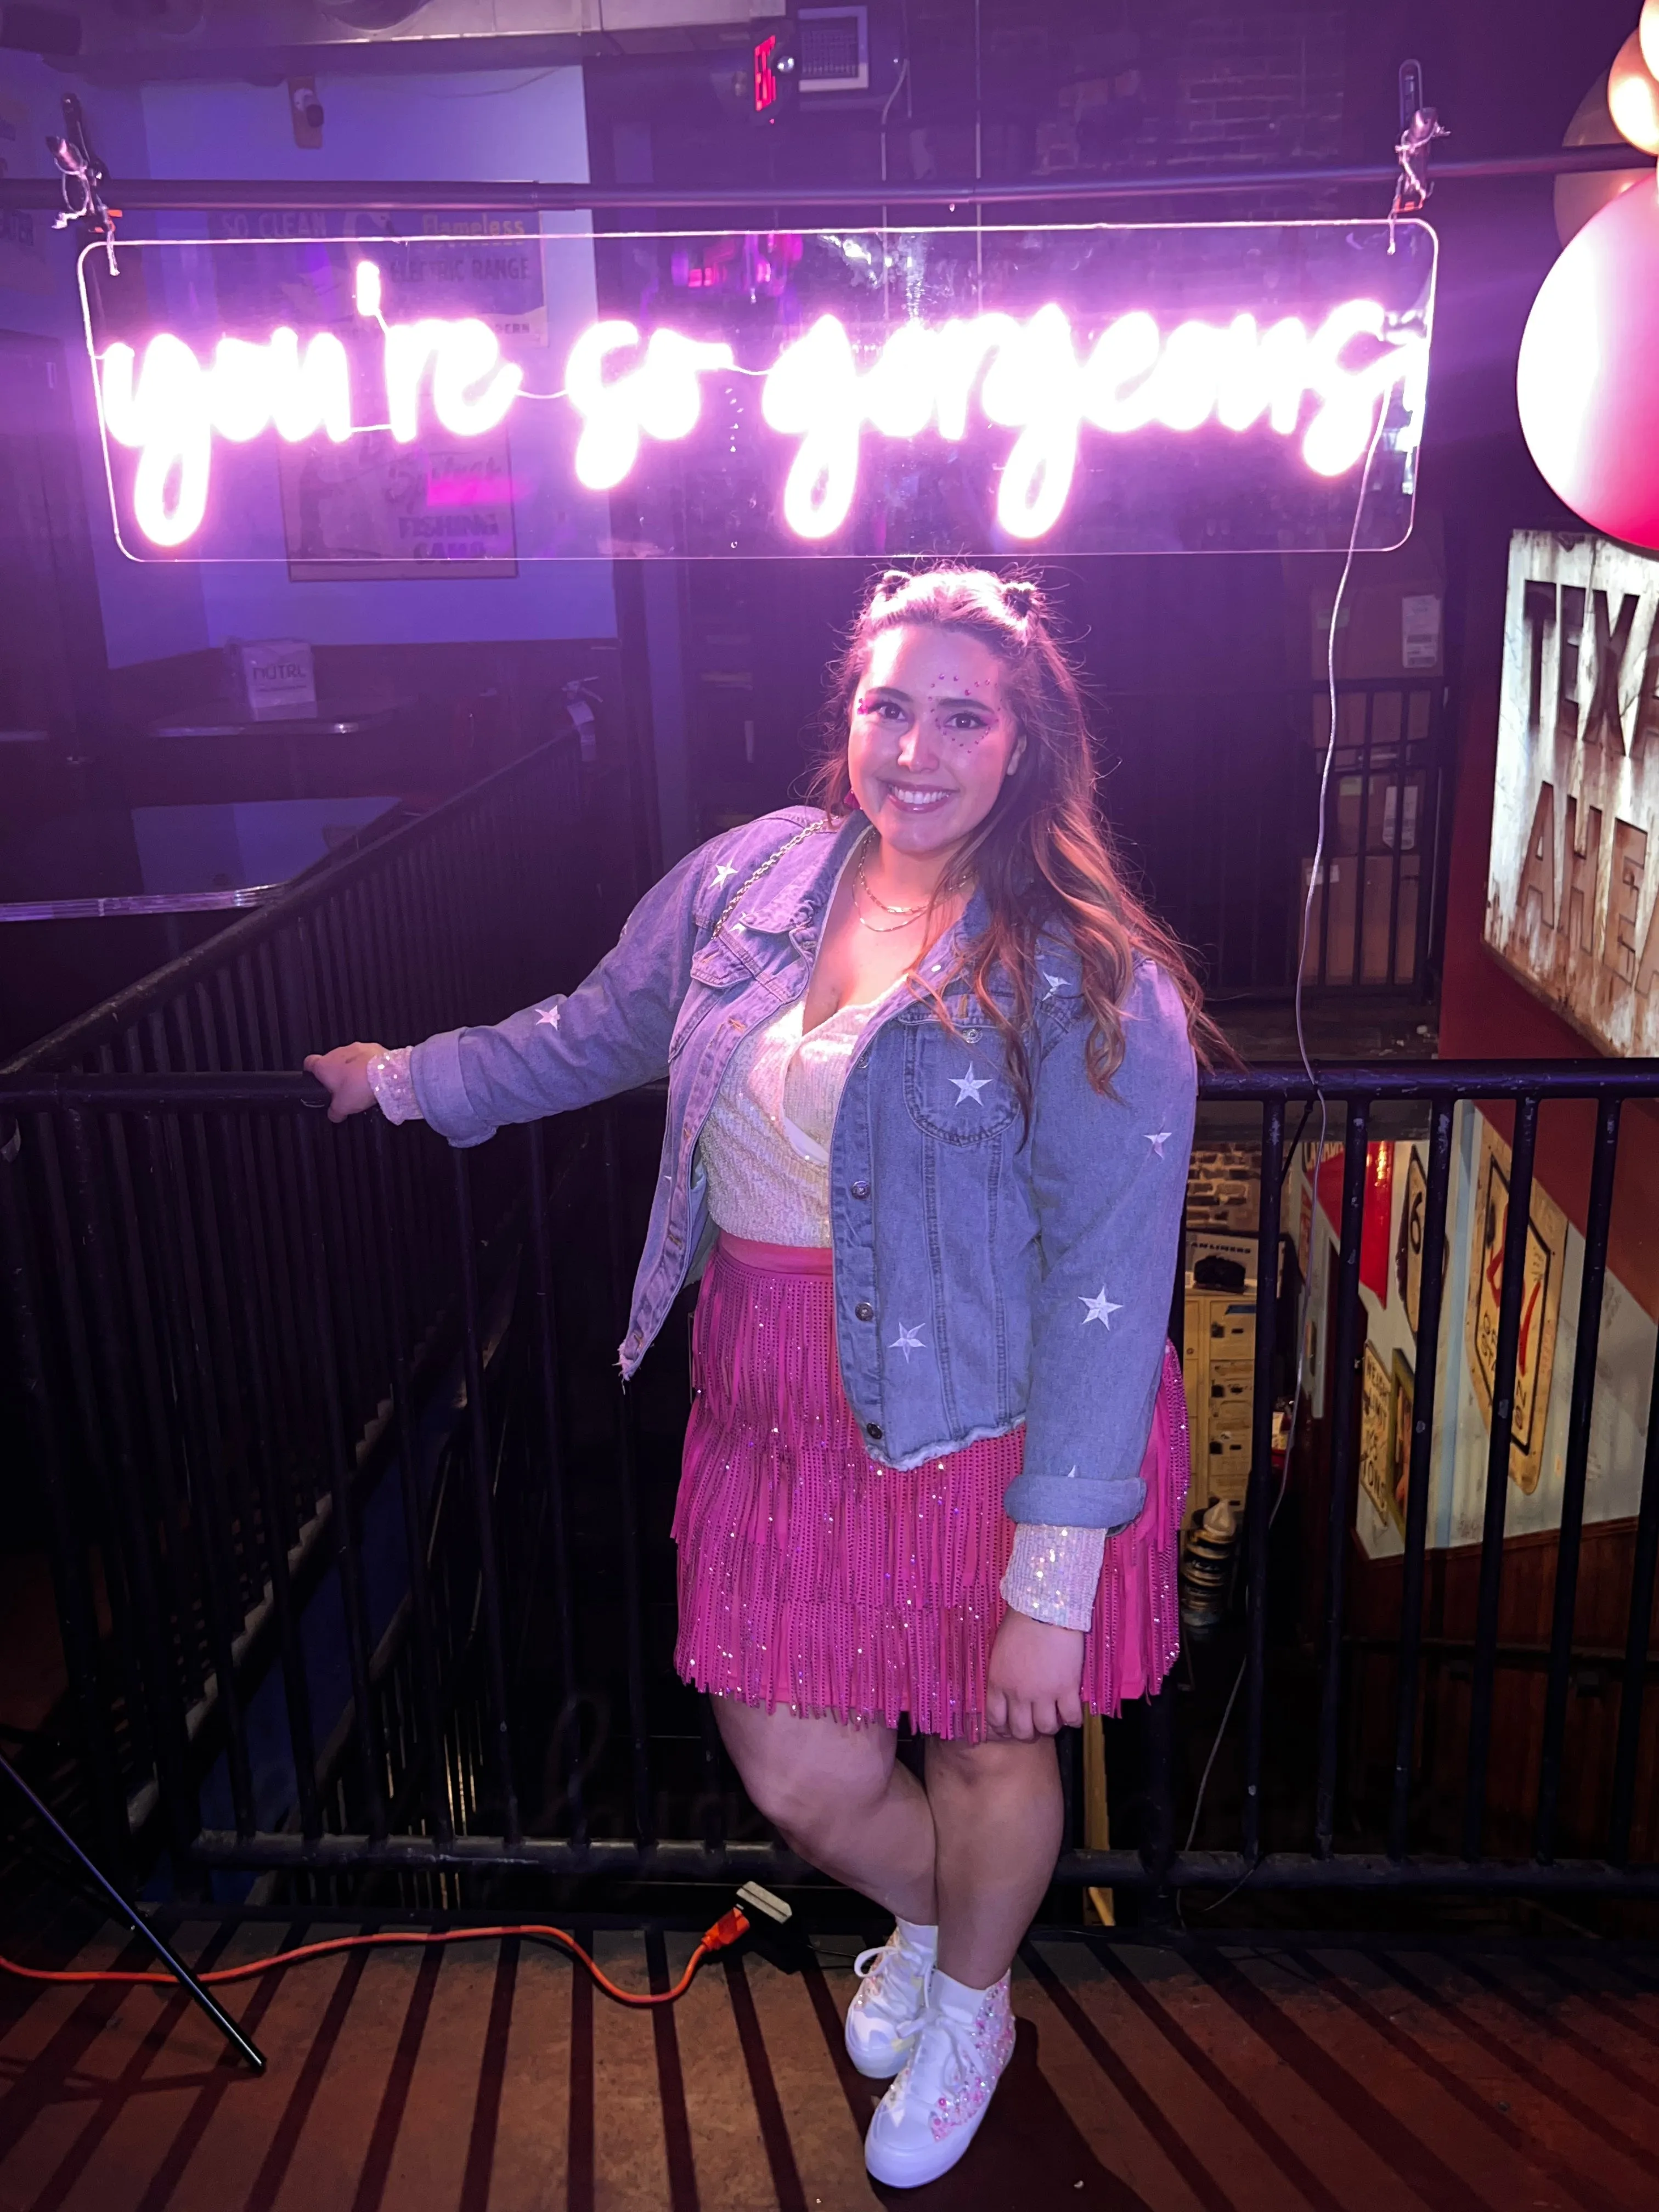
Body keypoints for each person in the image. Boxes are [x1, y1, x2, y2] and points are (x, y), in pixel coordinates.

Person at [306, 565, 1205, 2190]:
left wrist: (1055, 1563)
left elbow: (1109, 1280)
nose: (914, 749)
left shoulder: (1084, 965)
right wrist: (404, 1078)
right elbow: (595, 1030)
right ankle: (940, 1932)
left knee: (992, 1741)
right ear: (846, 720)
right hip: (772, 1401)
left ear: (1026, 746)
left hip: (989, 1424)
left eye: (960, 716)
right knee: (799, 1772)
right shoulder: (752, 880)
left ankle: (978, 2003)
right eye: (885, 707)